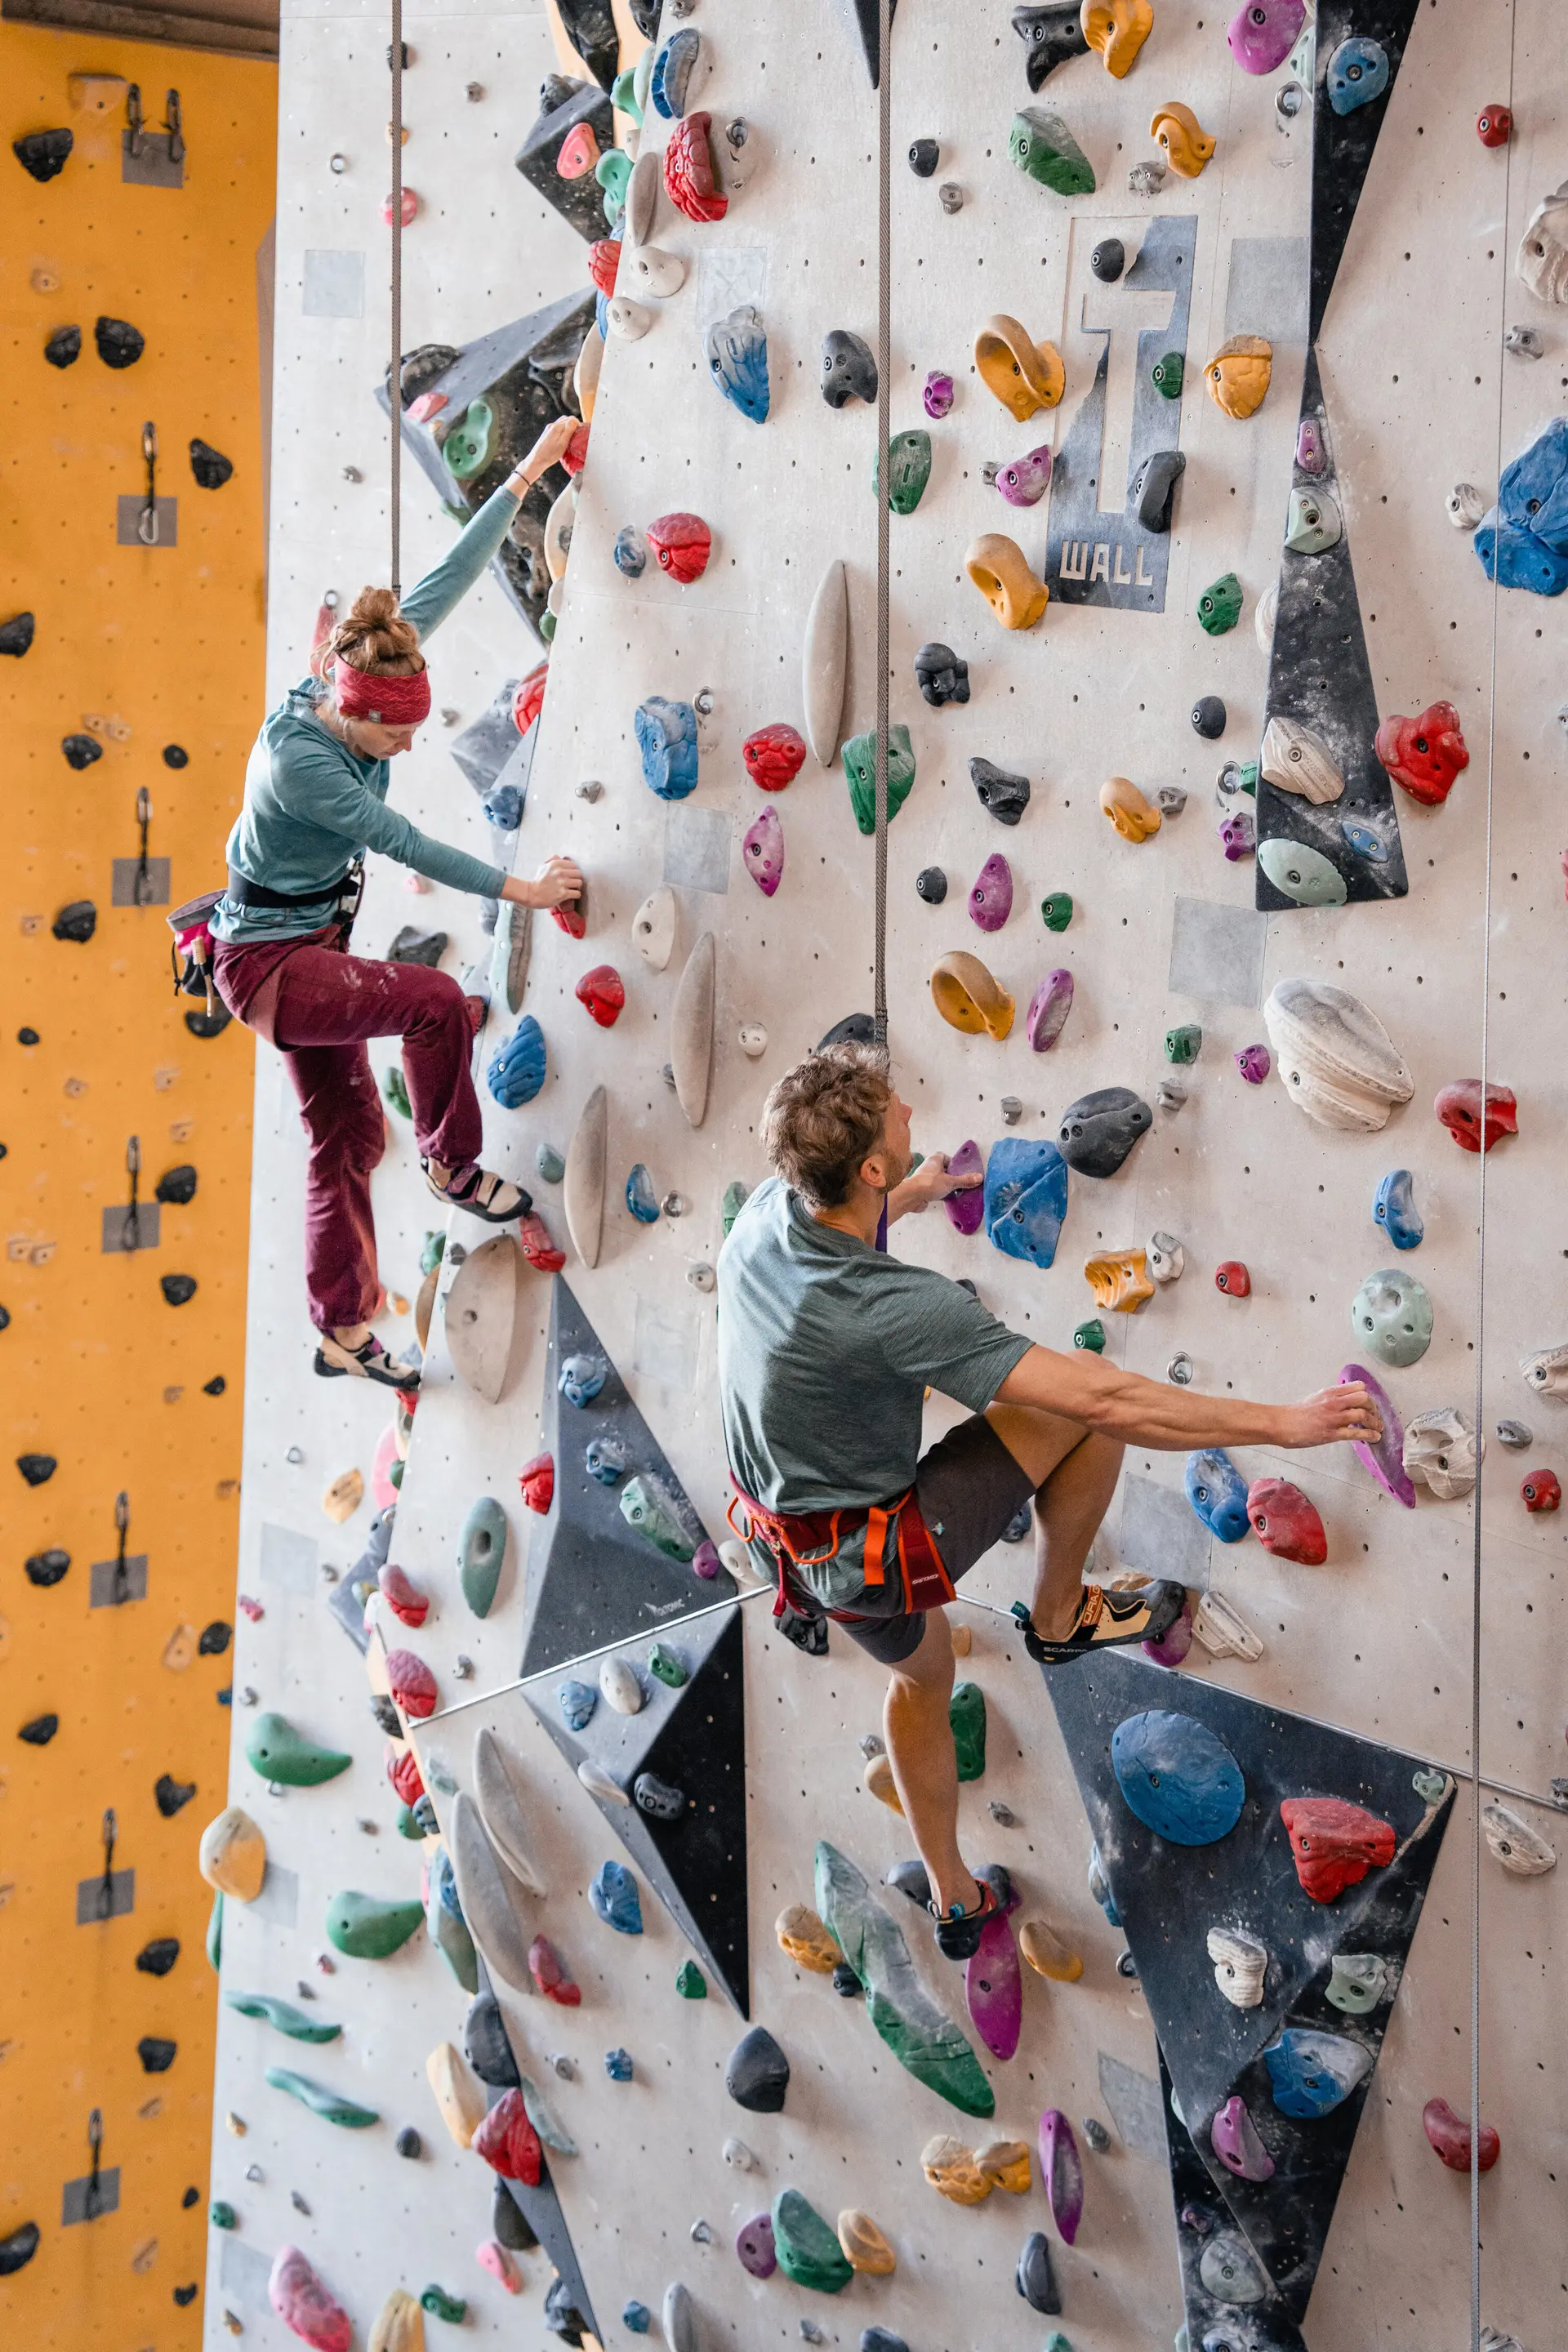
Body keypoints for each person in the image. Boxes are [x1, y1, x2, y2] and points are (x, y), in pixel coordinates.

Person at [717, 1044, 1383, 1960]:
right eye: (892, 1111)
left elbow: (839, 1247)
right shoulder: (894, 1307)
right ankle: (1062, 1613)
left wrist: (906, 1199)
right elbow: (1102, 1404)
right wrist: (1282, 1421)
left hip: (781, 1528)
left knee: (921, 1676)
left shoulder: (764, 1214)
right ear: (866, 1166)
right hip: (871, 1554)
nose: (909, 1103)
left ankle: (954, 1895)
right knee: (1086, 1395)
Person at [211, 416, 584, 1391]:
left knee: (348, 1138)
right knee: (426, 1001)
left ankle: (340, 1330)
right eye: (395, 743)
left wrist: (527, 474)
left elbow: (441, 588)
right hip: (269, 967)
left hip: (299, 945)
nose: (408, 753)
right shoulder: (302, 764)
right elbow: (406, 843)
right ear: (357, 717)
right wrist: (526, 892)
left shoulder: (354, 681)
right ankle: (454, 1165)